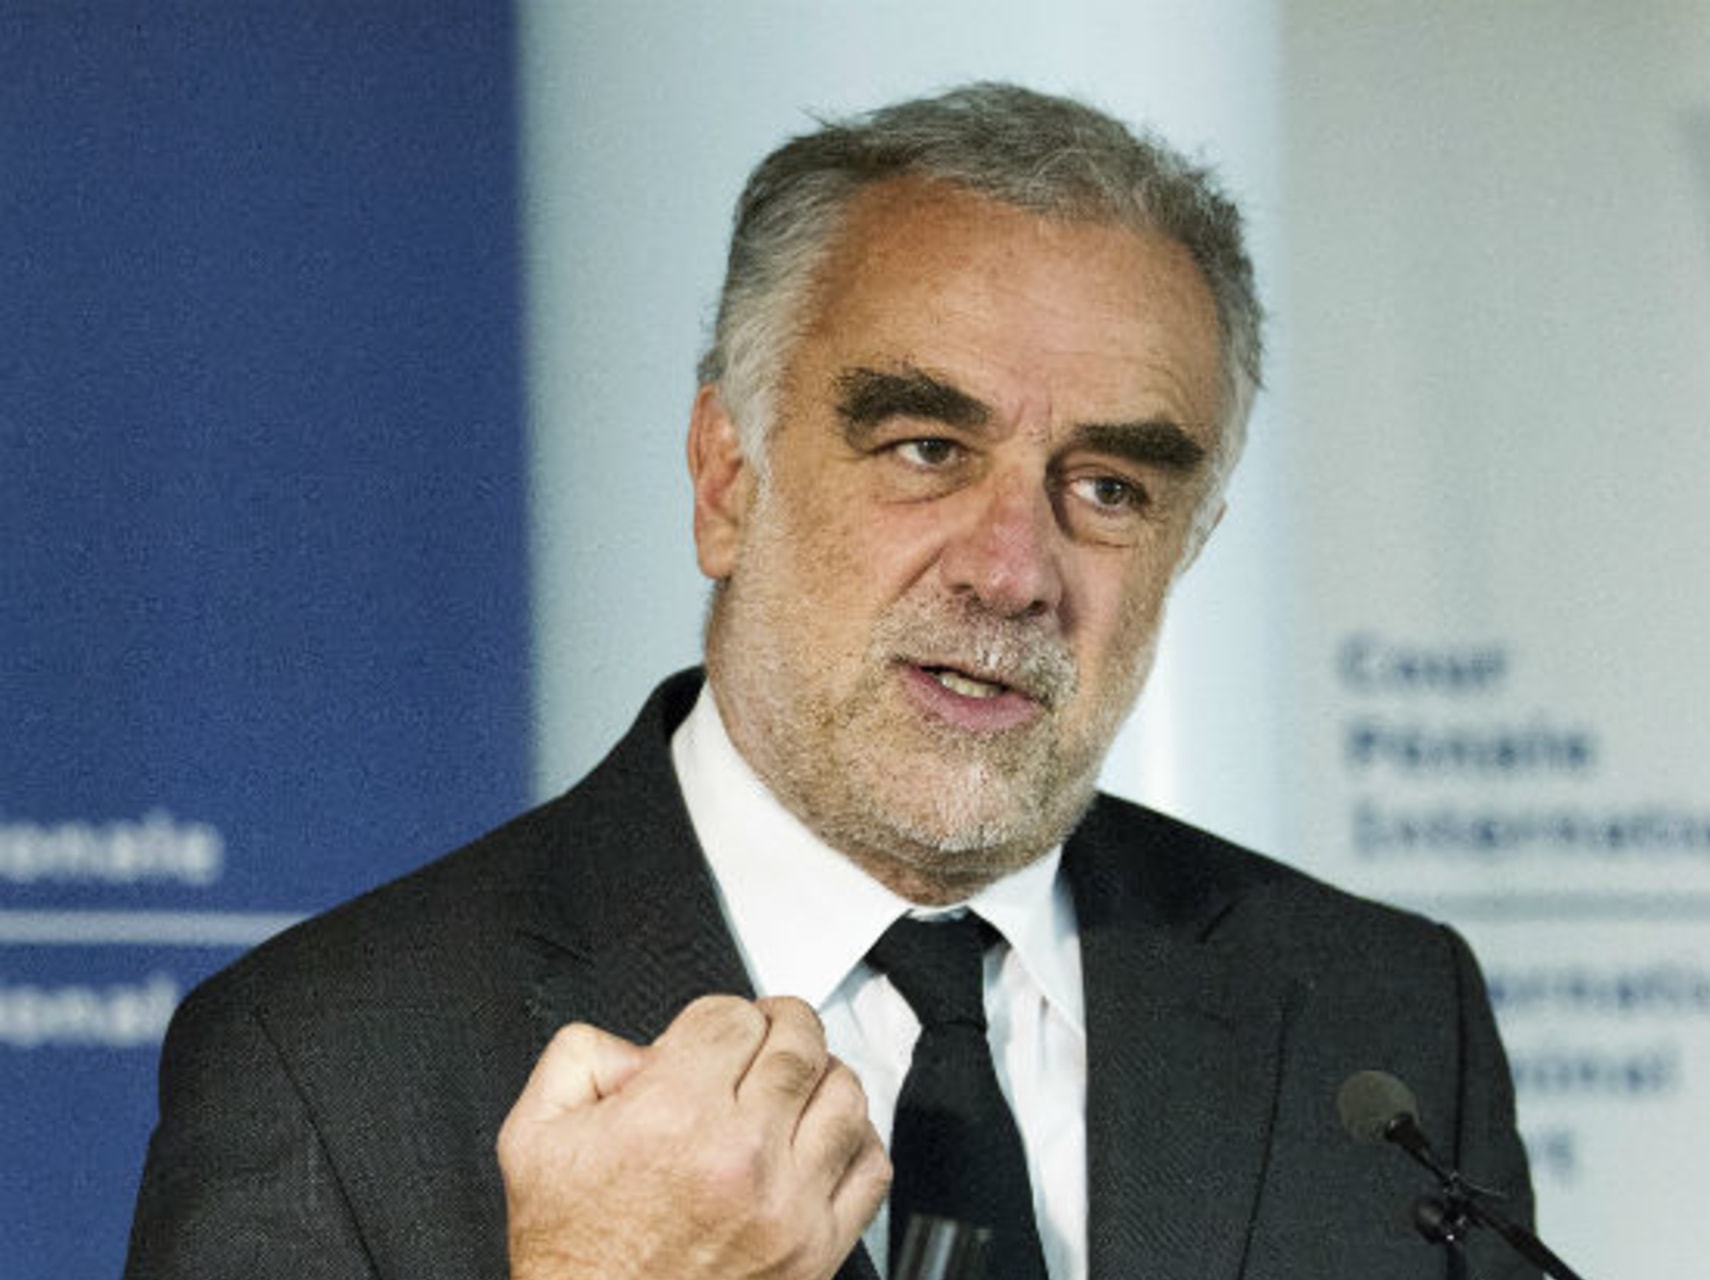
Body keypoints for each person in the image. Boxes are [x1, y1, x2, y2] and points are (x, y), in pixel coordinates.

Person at [123, 83, 1535, 1280]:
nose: (1012, 570)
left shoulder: (1384, 1023)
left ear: (1189, 543)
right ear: (727, 478)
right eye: (926, 447)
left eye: (1109, 486)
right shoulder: (330, 1061)